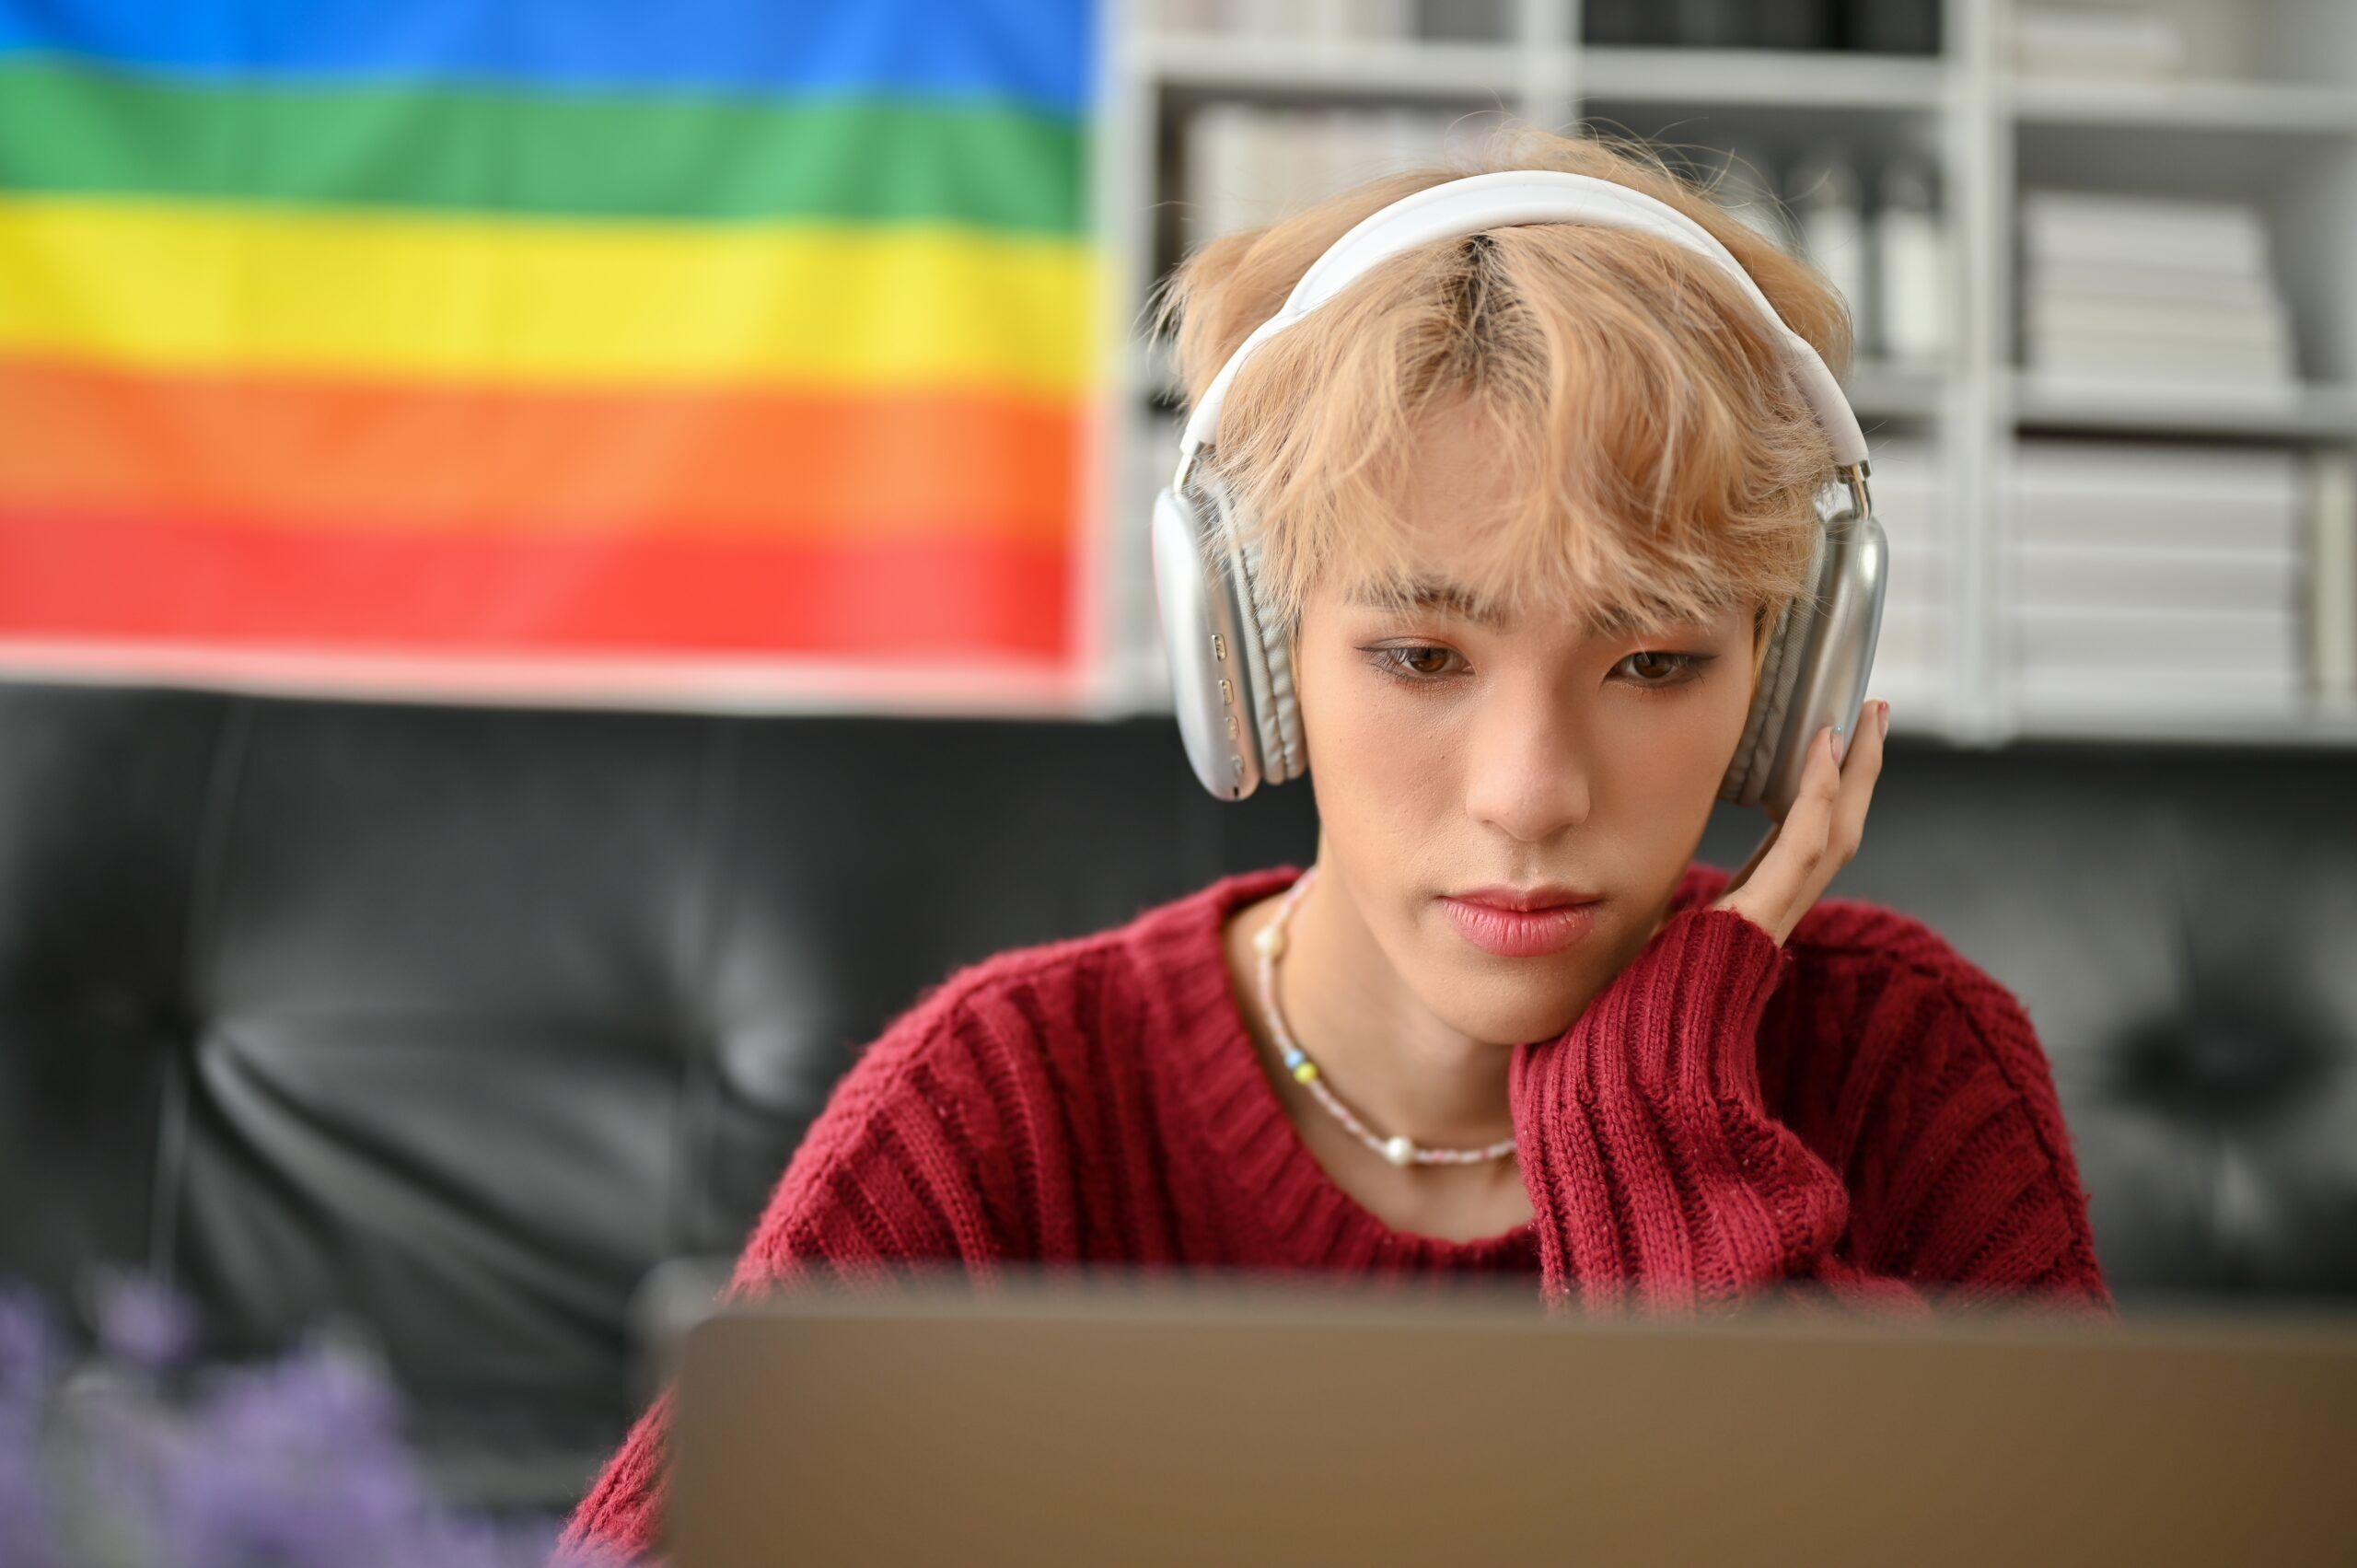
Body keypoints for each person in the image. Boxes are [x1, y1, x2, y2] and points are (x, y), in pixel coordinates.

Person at [558, 126, 2112, 1565]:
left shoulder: (1909, 1062)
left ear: (1788, 684)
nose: (1530, 793)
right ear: (1250, 658)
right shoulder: (1006, 1102)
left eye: (1652, 663)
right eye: (1423, 657)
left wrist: (1662, 1132)